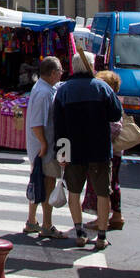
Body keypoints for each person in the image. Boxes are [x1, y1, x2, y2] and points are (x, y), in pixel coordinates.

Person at [53, 47, 122, 251]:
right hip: (99, 149)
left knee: (74, 191)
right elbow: (115, 114)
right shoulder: (102, 88)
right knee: (103, 192)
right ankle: (101, 236)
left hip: (73, 150)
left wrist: (61, 152)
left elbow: (59, 125)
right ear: (91, 66)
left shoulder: (63, 90)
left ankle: (80, 232)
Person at [24, 56, 64, 238]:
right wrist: (44, 143)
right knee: (47, 184)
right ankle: (47, 224)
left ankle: (32, 221)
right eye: (60, 71)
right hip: (42, 147)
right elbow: (36, 123)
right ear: (53, 73)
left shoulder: (45, 88)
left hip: (40, 146)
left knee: (38, 182)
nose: (62, 74)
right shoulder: (43, 92)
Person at [82, 71, 127, 231]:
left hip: (107, 150)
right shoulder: (111, 100)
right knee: (113, 183)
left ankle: (103, 219)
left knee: (103, 186)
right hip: (113, 151)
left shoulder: (109, 101)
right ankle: (116, 216)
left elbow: (115, 127)